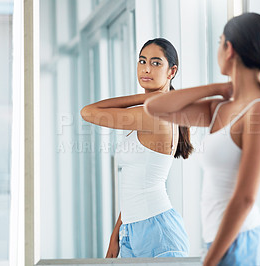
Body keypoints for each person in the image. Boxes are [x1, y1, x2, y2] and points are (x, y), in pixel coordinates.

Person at [145, 13, 260, 265]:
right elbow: (154, 107)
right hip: (222, 244)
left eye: (220, 42)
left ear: (229, 48)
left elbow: (245, 197)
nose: (218, 49)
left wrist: (209, 262)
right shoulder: (219, 108)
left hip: (245, 246)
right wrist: (215, 88)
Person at [81, 38, 192, 258]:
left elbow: (88, 112)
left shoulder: (154, 114)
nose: (146, 68)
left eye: (156, 63)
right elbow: (136, 184)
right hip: (131, 229)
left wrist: (147, 97)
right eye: (142, 61)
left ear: (172, 71)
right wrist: (116, 235)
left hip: (158, 232)